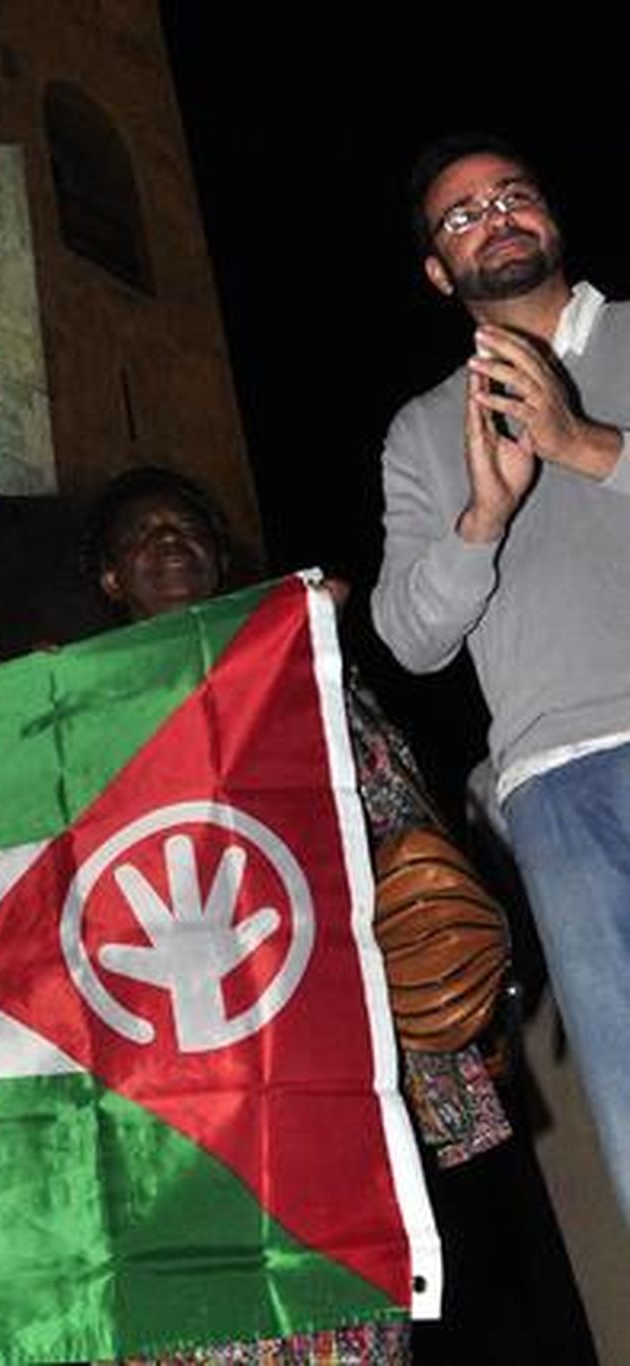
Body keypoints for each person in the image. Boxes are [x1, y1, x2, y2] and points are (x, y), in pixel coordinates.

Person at [90, 466, 594, 1365]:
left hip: (315, 1031)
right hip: (164, 1070)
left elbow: (395, 818)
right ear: (111, 581)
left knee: (340, 1295)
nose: (169, 541)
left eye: (188, 527)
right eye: (142, 535)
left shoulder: (305, 670)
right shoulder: (71, 715)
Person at [370, 131, 630, 1226]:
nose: (497, 217)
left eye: (513, 195)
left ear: (551, 219)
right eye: (463, 214)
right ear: (438, 270)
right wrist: (482, 516)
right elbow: (409, 637)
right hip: (554, 788)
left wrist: (585, 447)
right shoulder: (426, 428)